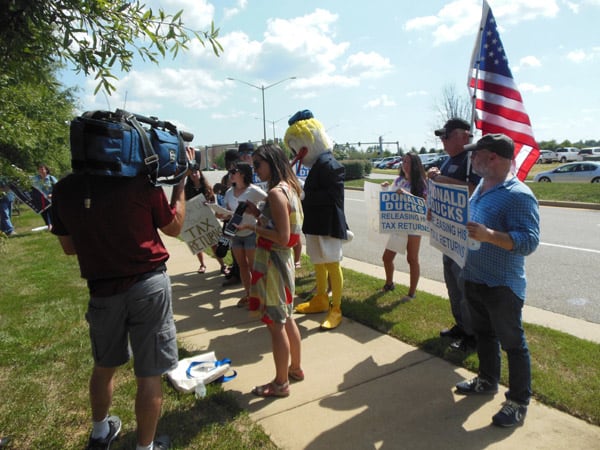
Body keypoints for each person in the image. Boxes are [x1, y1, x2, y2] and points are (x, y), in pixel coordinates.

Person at [51, 147, 195, 450]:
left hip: (102, 290)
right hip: (148, 285)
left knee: (104, 366)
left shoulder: (63, 189)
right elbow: (174, 226)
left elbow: (68, 248)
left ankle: (100, 431)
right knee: (150, 371)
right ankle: (145, 447)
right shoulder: (140, 181)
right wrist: (180, 185)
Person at [454, 133, 539, 428]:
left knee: (513, 344)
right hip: (474, 277)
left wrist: (490, 235)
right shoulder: (481, 187)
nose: (471, 158)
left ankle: (517, 402)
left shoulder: (518, 195)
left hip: (502, 285)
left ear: (493, 158)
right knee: (484, 336)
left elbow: (529, 242)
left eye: (476, 154)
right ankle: (487, 380)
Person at [238, 143, 304, 397]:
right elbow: (283, 227)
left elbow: (282, 235)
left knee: (276, 324)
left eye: (258, 165)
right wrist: (259, 214)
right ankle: (295, 369)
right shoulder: (290, 189)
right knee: (287, 319)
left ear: (272, 163)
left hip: (274, 265)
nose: (255, 170)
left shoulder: (277, 193)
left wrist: (253, 227)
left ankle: (280, 383)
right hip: (283, 263)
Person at [284, 110, 350, 330]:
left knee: (332, 264)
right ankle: (321, 298)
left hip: (328, 225)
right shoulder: (317, 166)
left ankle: (337, 307)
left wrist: (304, 193)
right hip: (316, 224)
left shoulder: (330, 165)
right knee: (319, 263)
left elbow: (334, 197)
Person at [428, 118, 480, 352]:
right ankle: (461, 325)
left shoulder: (473, 159)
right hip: (448, 236)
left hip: (465, 237)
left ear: (463, 135)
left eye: (446, 136)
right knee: (452, 285)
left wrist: (440, 179)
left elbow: (472, 190)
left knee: (465, 288)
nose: (443, 140)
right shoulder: (449, 161)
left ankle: (473, 335)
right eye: (441, 137)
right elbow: (441, 189)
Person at [380, 152, 427, 301]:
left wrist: (407, 195)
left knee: (412, 259)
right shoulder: (399, 180)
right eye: (404, 161)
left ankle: (411, 293)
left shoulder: (421, 183)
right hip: (398, 225)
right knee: (387, 258)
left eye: (408, 162)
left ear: (415, 165)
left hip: (414, 225)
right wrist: (386, 189)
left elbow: (424, 205)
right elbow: (391, 199)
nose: (405, 165)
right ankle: (389, 283)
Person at [220, 162, 266, 307]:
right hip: (235, 234)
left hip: (251, 233)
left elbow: (270, 203)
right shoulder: (228, 192)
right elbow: (226, 211)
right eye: (230, 171)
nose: (231, 174)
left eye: (234, 171)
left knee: (254, 267)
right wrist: (224, 215)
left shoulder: (254, 190)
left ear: (243, 174)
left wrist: (256, 213)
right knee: (242, 266)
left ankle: (260, 296)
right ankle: (249, 294)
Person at [184, 164, 228, 275]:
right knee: (198, 243)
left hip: (207, 219)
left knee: (213, 243)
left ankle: (222, 265)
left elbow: (213, 204)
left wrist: (208, 204)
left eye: (196, 172)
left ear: (200, 173)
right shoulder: (187, 189)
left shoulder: (207, 188)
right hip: (194, 221)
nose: (194, 175)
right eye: (192, 173)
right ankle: (202, 265)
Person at [32, 163, 57, 231]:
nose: (41, 171)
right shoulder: (35, 178)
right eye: (39, 169)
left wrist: (52, 194)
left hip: (50, 200)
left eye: (42, 169)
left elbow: (58, 188)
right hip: (40, 199)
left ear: (46, 170)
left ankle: (52, 225)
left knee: (51, 213)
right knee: (44, 213)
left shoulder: (51, 178)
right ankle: (49, 225)